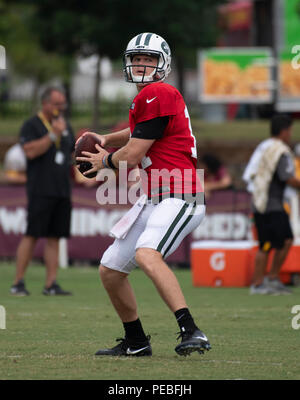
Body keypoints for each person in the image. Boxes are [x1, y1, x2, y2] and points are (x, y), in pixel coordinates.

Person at [76, 33, 210, 357]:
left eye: (149, 59)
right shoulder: (148, 98)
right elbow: (137, 130)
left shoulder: (158, 92)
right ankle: (136, 341)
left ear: (162, 64)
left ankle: (191, 330)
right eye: (137, 58)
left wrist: (103, 158)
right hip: (156, 197)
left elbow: (133, 154)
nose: (141, 64)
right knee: (110, 269)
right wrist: (106, 137)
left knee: (148, 253)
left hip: (182, 193)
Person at [10, 86, 75, 296]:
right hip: (40, 189)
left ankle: (51, 284)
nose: (60, 108)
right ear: (45, 103)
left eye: (62, 104)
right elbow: (29, 152)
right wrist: (52, 134)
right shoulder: (32, 125)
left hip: (62, 190)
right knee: (32, 235)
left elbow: (71, 153)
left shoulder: (66, 126)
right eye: (56, 104)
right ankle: (18, 282)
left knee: (55, 236)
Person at [243, 114, 300, 295]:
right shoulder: (280, 150)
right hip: (271, 204)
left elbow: (248, 175)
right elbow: (288, 178)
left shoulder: (264, 147)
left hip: (261, 201)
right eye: (290, 130)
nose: (290, 134)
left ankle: (268, 280)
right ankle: (263, 282)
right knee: (272, 243)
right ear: (284, 131)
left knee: (273, 242)